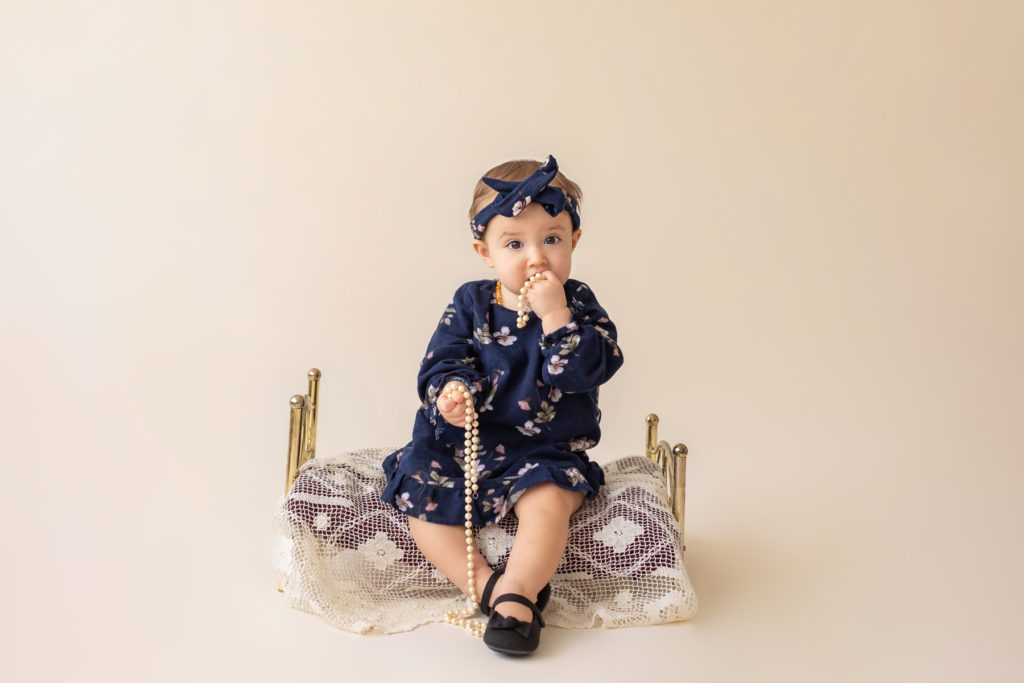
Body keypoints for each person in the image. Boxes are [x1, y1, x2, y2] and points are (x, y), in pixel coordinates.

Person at [381, 155, 623, 655]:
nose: (536, 258)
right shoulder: (471, 303)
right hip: (463, 445)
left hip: (544, 449)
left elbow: (587, 369)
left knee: (549, 500)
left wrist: (555, 317)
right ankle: (487, 586)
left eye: (551, 239)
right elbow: (442, 359)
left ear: (574, 241)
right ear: (485, 251)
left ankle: (518, 594)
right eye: (515, 243)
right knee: (417, 487)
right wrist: (452, 393)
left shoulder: (578, 306)